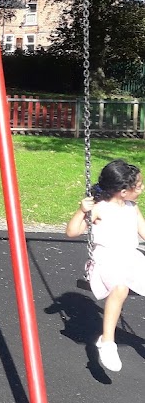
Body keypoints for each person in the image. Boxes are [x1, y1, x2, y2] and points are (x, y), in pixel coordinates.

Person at [65, 158, 145, 373]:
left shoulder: (132, 207)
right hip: (105, 261)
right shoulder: (99, 209)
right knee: (120, 287)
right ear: (123, 191)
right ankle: (107, 342)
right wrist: (82, 211)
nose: (142, 188)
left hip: (131, 259)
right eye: (138, 186)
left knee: (127, 281)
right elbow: (72, 232)